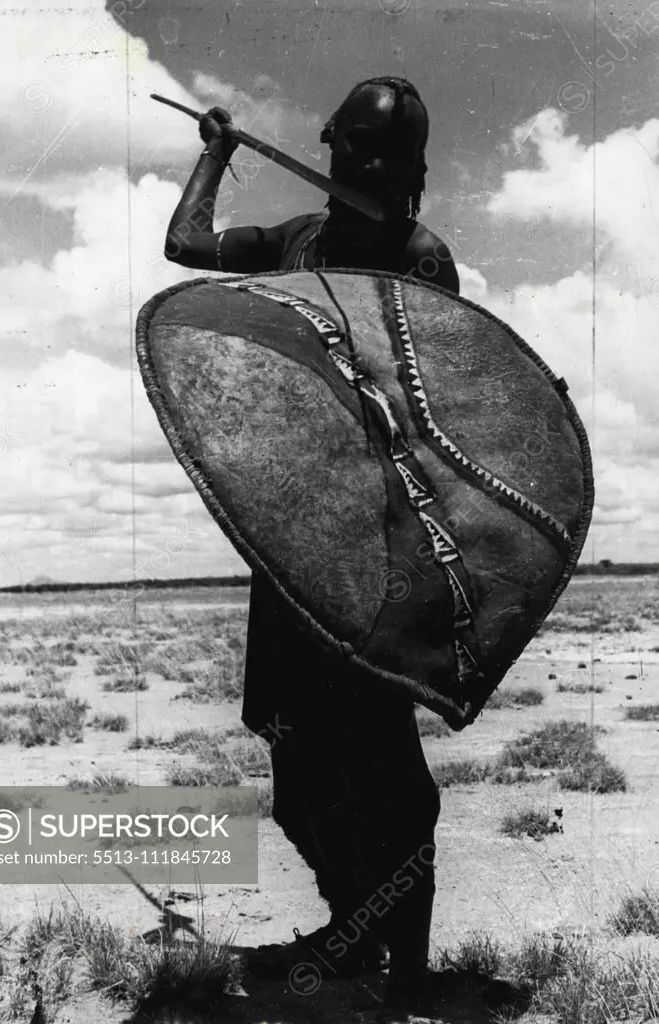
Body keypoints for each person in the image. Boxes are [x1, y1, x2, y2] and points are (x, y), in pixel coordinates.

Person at [165, 76, 460, 1017]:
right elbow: (185, 247)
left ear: (413, 172)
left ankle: (404, 969)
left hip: (378, 555)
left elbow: (430, 411)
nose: (366, 168)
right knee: (294, 767)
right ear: (328, 145)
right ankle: (351, 930)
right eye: (355, 150)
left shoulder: (421, 260)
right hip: (290, 547)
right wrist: (216, 153)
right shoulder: (295, 241)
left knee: (387, 770)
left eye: (386, 157)